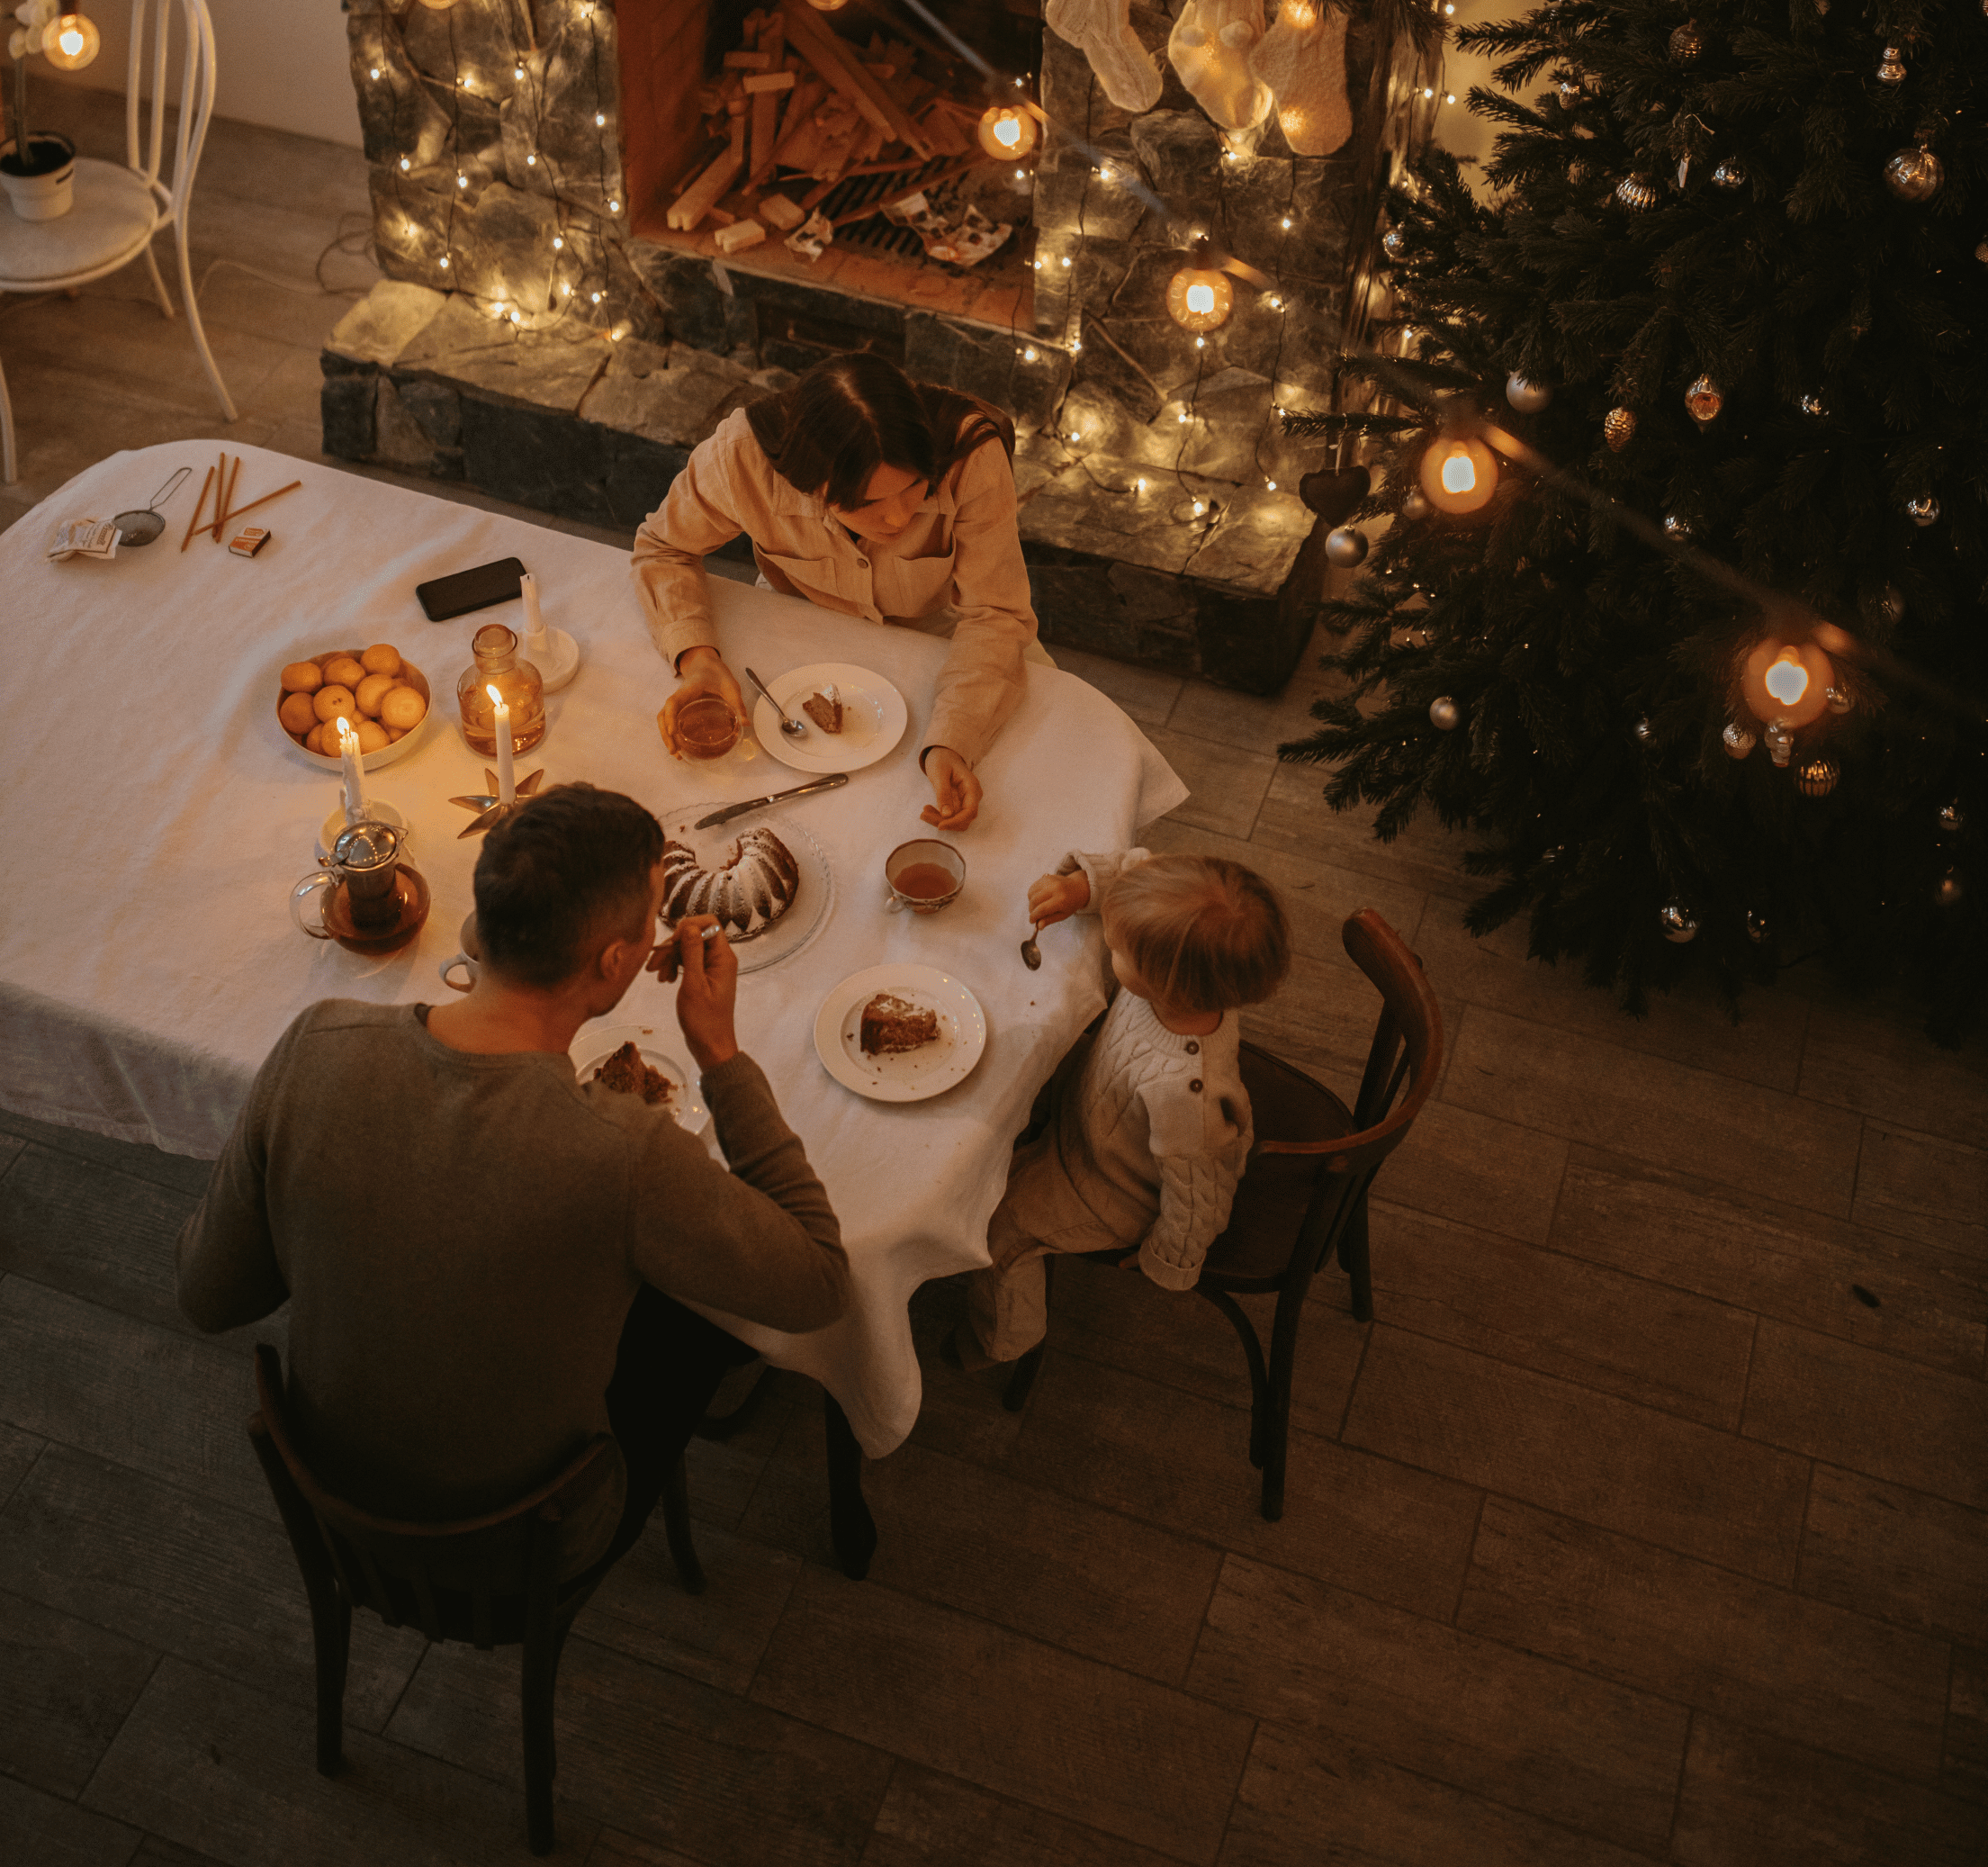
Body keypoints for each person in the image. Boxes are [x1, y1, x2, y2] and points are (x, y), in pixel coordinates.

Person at [175, 783, 848, 1574]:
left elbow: (208, 1295)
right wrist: (720, 1056)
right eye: (650, 921)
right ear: (615, 962)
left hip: (333, 1504)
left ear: (482, 924)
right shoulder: (624, 1150)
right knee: (703, 1328)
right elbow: (819, 1283)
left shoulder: (315, 1044)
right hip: (522, 1548)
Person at [633, 349, 1039, 834]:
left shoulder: (971, 457)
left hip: (942, 640)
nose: (898, 518)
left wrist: (954, 740)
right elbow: (663, 547)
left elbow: (996, 613)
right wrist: (697, 659)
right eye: (866, 503)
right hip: (799, 630)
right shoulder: (741, 458)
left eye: (914, 489)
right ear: (809, 483)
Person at [956, 846, 1292, 1366]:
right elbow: (1138, 872)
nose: (1110, 943)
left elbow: (1201, 1192)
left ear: (1163, 982)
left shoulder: (1186, 1099)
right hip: (1097, 1105)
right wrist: (1082, 889)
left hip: (1108, 1184)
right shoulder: (1181, 981)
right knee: (1008, 1061)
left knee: (999, 1230)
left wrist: (1169, 1258)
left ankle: (1002, 1338)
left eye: (1117, 948)